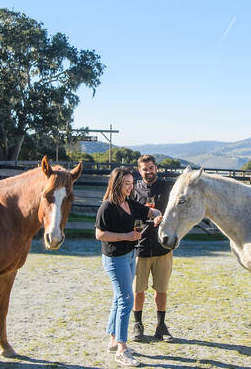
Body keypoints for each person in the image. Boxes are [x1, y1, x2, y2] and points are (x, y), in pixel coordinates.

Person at [96, 167, 162, 366]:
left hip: (130, 256)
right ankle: (122, 349)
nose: (130, 187)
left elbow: (152, 211)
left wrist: (157, 215)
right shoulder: (107, 207)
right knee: (126, 298)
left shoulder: (131, 204)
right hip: (114, 259)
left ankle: (113, 340)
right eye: (126, 184)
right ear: (116, 184)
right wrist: (126, 236)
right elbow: (100, 234)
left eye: (132, 184)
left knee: (119, 297)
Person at [131, 155, 176, 342]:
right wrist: (140, 225)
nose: (148, 171)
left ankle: (161, 326)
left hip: (162, 247)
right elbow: (131, 216)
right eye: (144, 169)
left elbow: (175, 211)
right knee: (138, 290)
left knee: (161, 289)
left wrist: (163, 218)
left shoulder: (167, 187)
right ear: (139, 171)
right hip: (140, 247)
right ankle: (138, 325)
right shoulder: (134, 189)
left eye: (151, 167)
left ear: (156, 168)